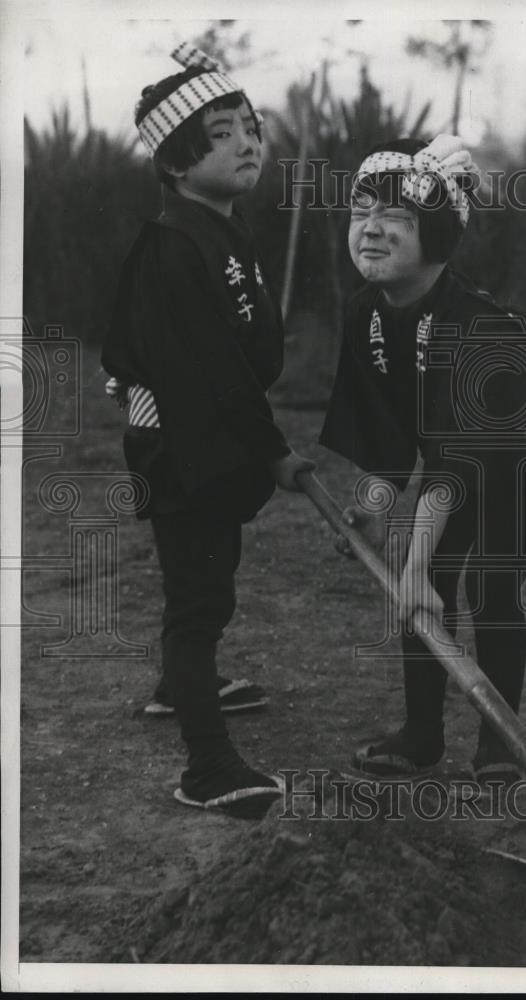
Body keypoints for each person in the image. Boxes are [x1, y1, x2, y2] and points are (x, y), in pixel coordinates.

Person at [320, 135, 526, 783]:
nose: (373, 231)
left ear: (437, 234)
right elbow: (388, 431)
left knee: (490, 581)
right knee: (431, 577)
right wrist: (376, 507)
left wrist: (411, 566)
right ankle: (421, 736)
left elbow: (456, 464)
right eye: (362, 214)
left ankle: (500, 743)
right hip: (456, 447)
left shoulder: (478, 327)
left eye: (399, 219)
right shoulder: (365, 312)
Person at [102, 43, 314, 817]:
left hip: (205, 438)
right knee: (197, 604)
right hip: (180, 443)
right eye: (224, 132)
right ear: (176, 161)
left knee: (204, 589)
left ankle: (176, 685)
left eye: (252, 127)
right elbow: (206, 373)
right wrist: (275, 451)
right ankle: (208, 767)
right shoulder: (173, 245)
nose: (249, 142)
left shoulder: (221, 228)